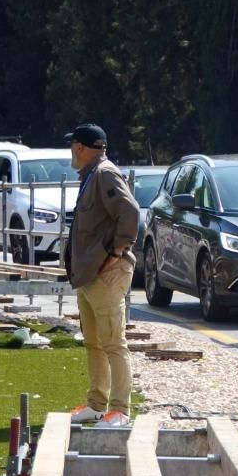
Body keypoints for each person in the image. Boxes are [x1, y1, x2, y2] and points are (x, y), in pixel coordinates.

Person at [62, 123, 141, 428]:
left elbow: (130, 213)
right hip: (89, 275)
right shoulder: (92, 175)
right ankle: (97, 405)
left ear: (80, 147)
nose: (72, 152)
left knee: (113, 342)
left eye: (73, 146)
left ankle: (120, 410)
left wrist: (116, 253)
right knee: (94, 342)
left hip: (107, 273)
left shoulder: (105, 174)